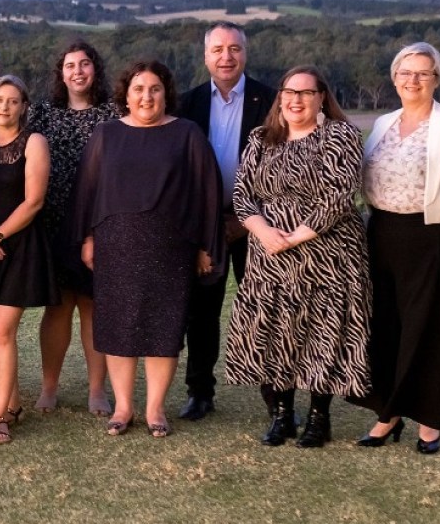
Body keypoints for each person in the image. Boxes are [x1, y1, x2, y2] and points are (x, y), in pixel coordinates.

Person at [73, 60, 223, 438]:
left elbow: (207, 193)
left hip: (171, 248)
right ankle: (123, 407)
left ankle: (155, 409)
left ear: (165, 93)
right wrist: (87, 238)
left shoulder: (188, 134)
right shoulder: (105, 134)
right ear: (126, 94)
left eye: (154, 88)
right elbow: (88, 191)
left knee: (164, 328)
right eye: (138, 89)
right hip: (116, 245)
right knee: (119, 327)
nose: (146, 96)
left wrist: (206, 245)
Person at [224, 66, 370, 447]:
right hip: (269, 256)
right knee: (277, 333)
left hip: (329, 254)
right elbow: (242, 194)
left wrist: (296, 237)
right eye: (289, 91)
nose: (296, 99)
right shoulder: (260, 138)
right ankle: (282, 415)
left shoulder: (340, 136)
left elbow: (340, 194)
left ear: (322, 97)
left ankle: (320, 419)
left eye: (306, 92)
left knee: (323, 334)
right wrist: (263, 231)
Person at [176, 23, 275, 421]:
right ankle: (200, 393)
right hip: (206, 226)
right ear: (205, 56)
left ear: (245, 54)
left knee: (267, 309)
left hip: (261, 223)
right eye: (217, 49)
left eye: (234, 48)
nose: (226, 57)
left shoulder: (271, 100)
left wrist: (249, 217)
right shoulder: (187, 104)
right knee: (201, 312)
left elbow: (284, 165)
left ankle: (276, 397)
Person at [354, 42, 440, 454]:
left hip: (431, 237)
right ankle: (387, 416)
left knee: (427, 329)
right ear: (394, 79)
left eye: (422, 73)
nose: (413, 80)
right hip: (382, 233)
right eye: (406, 72)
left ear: (436, 80)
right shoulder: (384, 123)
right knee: (385, 326)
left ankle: (429, 421)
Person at [28, 41, 119, 414]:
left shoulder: (114, 114)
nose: (77, 71)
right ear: (61, 73)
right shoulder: (43, 114)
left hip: (100, 224)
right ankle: (49, 388)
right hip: (51, 223)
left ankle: (97, 390)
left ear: (95, 69)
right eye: (70, 65)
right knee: (58, 307)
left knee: (94, 308)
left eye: (84, 64)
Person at [0, 76, 57, 444]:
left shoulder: (34, 143)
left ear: (24, 107)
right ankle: (15, 403)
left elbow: (33, 201)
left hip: (19, 247)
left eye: (13, 101)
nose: (5, 107)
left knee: (2, 331)